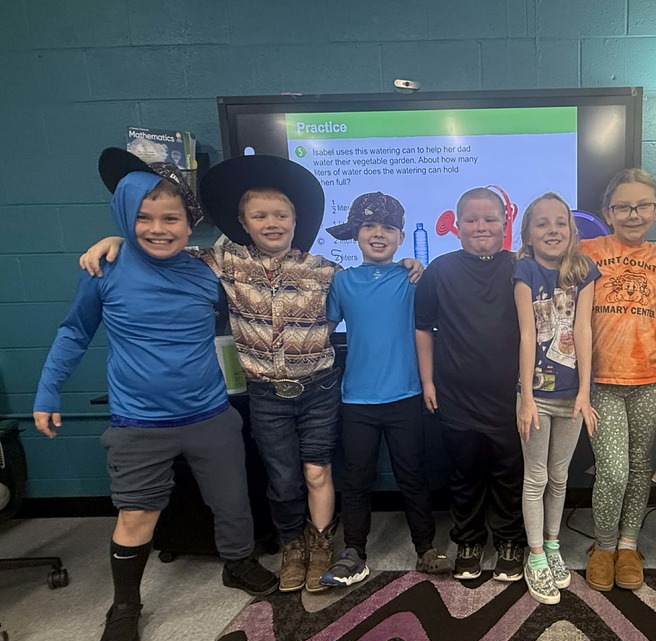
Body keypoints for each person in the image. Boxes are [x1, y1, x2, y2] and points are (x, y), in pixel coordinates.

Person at [81, 156, 424, 594]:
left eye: (281, 215)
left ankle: (320, 543)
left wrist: (413, 265)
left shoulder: (325, 272)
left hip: (318, 389)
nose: (271, 223)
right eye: (259, 216)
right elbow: (162, 249)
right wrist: (116, 241)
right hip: (265, 393)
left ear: (296, 220)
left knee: (318, 470)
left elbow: (370, 290)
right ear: (243, 222)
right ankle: (290, 545)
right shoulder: (222, 263)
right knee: (281, 477)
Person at [35, 148, 278, 641]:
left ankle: (238, 564)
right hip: (139, 423)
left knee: (233, 503)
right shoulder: (105, 269)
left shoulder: (203, 273)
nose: (158, 228)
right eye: (142, 219)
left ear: (189, 224)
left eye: (171, 218)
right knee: (136, 516)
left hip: (210, 414)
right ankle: (124, 606)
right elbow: (74, 332)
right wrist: (47, 389)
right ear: (125, 219)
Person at [319, 192, 453, 587]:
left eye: (388, 228)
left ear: (400, 236)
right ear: (356, 235)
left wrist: (419, 267)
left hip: (406, 396)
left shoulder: (413, 278)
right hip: (356, 398)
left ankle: (425, 549)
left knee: (412, 474)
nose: (379, 234)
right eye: (369, 226)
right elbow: (321, 333)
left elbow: (434, 314)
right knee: (357, 478)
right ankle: (354, 553)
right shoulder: (342, 282)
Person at [414, 187, 527, 582]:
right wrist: (427, 380)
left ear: (505, 222)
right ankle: (469, 540)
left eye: (490, 218)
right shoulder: (439, 270)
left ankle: (511, 540)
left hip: (508, 397)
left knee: (509, 473)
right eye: (472, 219)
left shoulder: (520, 266)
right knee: (464, 473)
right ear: (457, 224)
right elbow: (423, 328)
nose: (481, 226)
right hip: (455, 394)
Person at [578, 169, 656, 592]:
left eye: (642, 206)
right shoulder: (586, 250)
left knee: (640, 467)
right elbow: (533, 252)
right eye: (623, 206)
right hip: (600, 380)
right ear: (608, 212)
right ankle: (602, 546)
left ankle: (628, 545)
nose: (633, 214)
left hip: (649, 377)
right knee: (613, 471)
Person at [513, 193, 600, 604]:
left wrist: (584, 392)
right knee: (536, 477)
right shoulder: (524, 269)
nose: (552, 230)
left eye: (560, 223)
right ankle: (534, 557)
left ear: (571, 230)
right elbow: (527, 333)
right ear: (528, 233)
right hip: (536, 397)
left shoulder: (584, 271)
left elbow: (583, 331)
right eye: (542, 223)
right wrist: (526, 396)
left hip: (572, 398)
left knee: (560, 476)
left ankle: (552, 545)